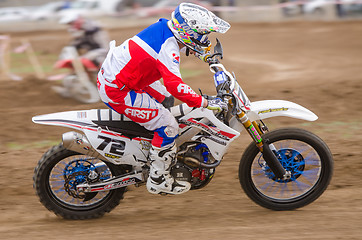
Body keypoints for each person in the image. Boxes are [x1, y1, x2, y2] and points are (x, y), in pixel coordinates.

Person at [97, 3, 230, 195]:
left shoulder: (166, 28)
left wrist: (209, 57)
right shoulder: (169, 47)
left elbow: (174, 75)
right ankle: (158, 179)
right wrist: (205, 102)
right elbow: (175, 85)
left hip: (124, 77)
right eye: (200, 35)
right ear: (187, 32)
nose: (203, 39)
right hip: (118, 89)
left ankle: (151, 148)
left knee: (166, 101)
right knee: (169, 127)